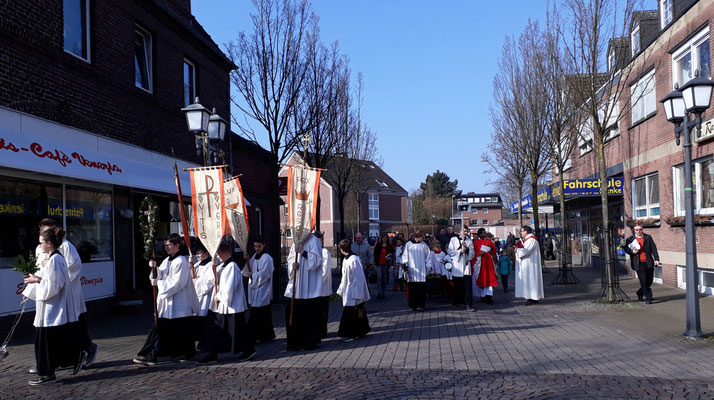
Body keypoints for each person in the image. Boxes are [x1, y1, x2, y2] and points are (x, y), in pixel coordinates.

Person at [23, 227, 85, 385]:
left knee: (46, 342)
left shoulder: (55, 259)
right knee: (51, 341)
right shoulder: (53, 258)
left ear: (49, 243)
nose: (40, 246)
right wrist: (38, 277)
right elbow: (52, 280)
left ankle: (47, 373)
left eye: (42, 243)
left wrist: (37, 280)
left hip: (51, 309)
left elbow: (54, 285)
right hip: (50, 309)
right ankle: (52, 367)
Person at [35, 218, 97, 368]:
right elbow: (39, 267)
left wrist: (56, 277)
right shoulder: (40, 248)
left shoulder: (66, 246)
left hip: (67, 293)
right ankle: (56, 360)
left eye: (51, 230)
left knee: (74, 323)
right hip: (50, 294)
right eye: (45, 231)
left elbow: (73, 267)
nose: (48, 233)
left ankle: (87, 349)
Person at [133, 234, 199, 365]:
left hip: (179, 302)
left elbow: (176, 284)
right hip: (168, 304)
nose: (166, 247)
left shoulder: (181, 262)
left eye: (169, 245)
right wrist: (154, 268)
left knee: (176, 329)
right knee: (172, 330)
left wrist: (159, 284)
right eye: (165, 245)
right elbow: (158, 275)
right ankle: (182, 352)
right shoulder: (167, 260)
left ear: (177, 246)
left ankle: (155, 353)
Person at [196, 240, 255, 363]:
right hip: (220, 306)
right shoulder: (221, 266)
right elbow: (212, 280)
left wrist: (220, 296)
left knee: (236, 331)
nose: (217, 257)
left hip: (230, 305)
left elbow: (230, 287)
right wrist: (213, 268)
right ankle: (213, 352)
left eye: (219, 254)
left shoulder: (232, 266)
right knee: (215, 329)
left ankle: (247, 349)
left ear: (227, 253)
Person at [285, 232, 323, 350]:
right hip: (296, 287)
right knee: (293, 315)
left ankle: (308, 342)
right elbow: (290, 258)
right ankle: (294, 342)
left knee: (308, 318)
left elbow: (317, 261)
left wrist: (303, 252)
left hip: (310, 288)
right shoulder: (296, 242)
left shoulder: (314, 241)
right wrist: (293, 266)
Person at [336, 239, 371, 342]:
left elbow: (359, 278)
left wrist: (359, 294)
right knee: (356, 312)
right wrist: (340, 290)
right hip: (349, 289)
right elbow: (344, 277)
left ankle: (350, 334)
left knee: (349, 312)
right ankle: (361, 330)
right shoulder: (346, 259)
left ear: (342, 250)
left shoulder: (354, 259)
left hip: (353, 290)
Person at [243, 236, 275, 343]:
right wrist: (247, 259)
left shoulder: (266, 258)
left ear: (264, 245)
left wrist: (254, 276)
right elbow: (249, 268)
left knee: (259, 312)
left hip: (263, 288)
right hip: (255, 287)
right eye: (255, 246)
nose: (257, 248)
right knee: (261, 313)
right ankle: (265, 335)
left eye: (259, 246)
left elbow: (265, 274)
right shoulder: (255, 256)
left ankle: (258, 335)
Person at [624, 225, 661, 304]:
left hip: (648, 262)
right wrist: (632, 252)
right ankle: (648, 297)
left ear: (642, 229)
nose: (638, 231)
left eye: (640, 229)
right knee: (643, 281)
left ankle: (640, 292)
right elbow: (626, 249)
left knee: (650, 280)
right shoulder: (630, 239)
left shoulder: (648, 237)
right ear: (634, 230)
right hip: (638, 263)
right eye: (636, 230)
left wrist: (657, 259)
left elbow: (653, 248)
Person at [401, 231, 433, 311]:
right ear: (418, 237)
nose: (423, 239)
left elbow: (428, 257)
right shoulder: (409, 244)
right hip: (412, 270)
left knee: (421, 289)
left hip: (422, 269)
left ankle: (421, 304)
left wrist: (428, 266)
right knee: (412, 288)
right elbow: (405, 256)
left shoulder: (424, 245)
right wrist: (405, 266)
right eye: (422, 238)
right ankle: (413, 305)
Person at [515, 226, 544, 306]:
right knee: (528, 280)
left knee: (531, 280)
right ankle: (530, 297)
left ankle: (532, 298)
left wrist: (517, 250)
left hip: (530, 265)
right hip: (528, 264)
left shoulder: (531, 240)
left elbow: (526, 251)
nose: (521, 233)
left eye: (522, 231)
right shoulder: (528, 240)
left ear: (526, 232)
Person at [447, 225, 474, 310]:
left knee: (467, 286)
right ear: (460, 231)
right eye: (464, 231)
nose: (466, 233)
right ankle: (455, 301)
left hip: (466, 265)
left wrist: (466, 249)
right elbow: (450, 252)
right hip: (457, 265)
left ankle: (468, 304)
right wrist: (459, 251)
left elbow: (472, 254)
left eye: (467, 231)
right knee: (457, 285)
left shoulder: (469, 241)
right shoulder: (453, 240)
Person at [192, 243, 214, 344]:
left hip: (206, 297)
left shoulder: (211, 266)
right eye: (196, 254)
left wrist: (196, 282)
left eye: (199, 253)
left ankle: (204, 341)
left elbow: (210, 282)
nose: (198, 256)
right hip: (196, 297)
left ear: (206, 253)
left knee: (204, 319)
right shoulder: (195, 265)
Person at [317, 232, 336, 339]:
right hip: (315, 289)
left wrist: (316, 282)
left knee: (323, 311)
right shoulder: (314, 252)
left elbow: (324, 271)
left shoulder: (325, 253)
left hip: (323, 288)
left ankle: (323, 331)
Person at [473, 228, 499, 304]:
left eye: (485, 233)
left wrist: (490, 251)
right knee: (482, 280)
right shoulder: (476, 242)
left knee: (489, 280)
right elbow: (473, 252)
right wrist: (478, 254)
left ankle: (489, 297)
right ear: (480, 234)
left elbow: (494, 250)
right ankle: (482, 296)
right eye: (483, 233)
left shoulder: (489, 241)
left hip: (488, 263)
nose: (484, 234)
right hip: (480, 263)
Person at [373, 234, 394, 299]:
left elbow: (392, 253)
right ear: (381, 238)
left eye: (386, 237)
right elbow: (375, 254)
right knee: (379, 277)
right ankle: (379, 292)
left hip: (385, 263)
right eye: (383, 237)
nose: (385, 239)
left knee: (384, 278)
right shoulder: (378, 245)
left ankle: (383, 292)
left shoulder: (389, 246)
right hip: (378, 263)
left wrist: (390, 255)